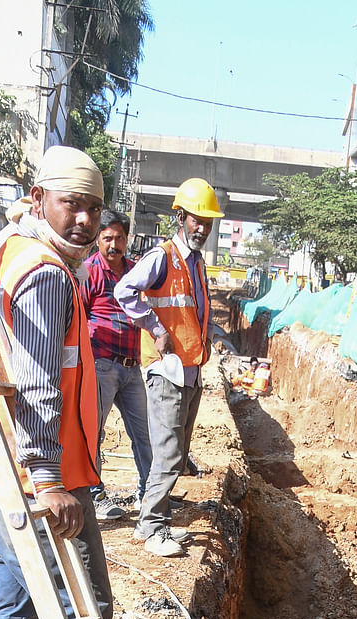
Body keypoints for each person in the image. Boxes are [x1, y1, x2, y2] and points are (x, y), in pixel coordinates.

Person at [0, 145, 114, 619]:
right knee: (88, 602)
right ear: (38, 200)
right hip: (41, 472)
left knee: (17, 597)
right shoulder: (48, 276)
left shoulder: (5, 248)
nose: (82, 219)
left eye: (92, 208)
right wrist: (50, 480)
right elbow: (37, 383)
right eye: (70, 204)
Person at [114, 178, 224, 558]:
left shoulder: (197, 264)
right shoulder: (163, 257)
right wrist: (155, 329)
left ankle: (153, 523)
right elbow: (124, 290)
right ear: (180, 216)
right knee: (167, 452)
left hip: (190, 371)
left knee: (178, 452)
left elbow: (193, 313)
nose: (202, 229)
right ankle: (152, 527)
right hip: (167, 372)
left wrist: (210, 337)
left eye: (207, 223)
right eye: (197, 220)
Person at [79, 208, 153, 522]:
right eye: (107, 238)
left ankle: (151, 492)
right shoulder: (89, 271)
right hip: (101, 365)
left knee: (144, 432)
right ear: (98, 240)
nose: (114, 245)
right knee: (93, 432)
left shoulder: (135, 272)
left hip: (131, 366)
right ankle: (95, 496)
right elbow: (78, 317)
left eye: (119, 238)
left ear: (127, 239)